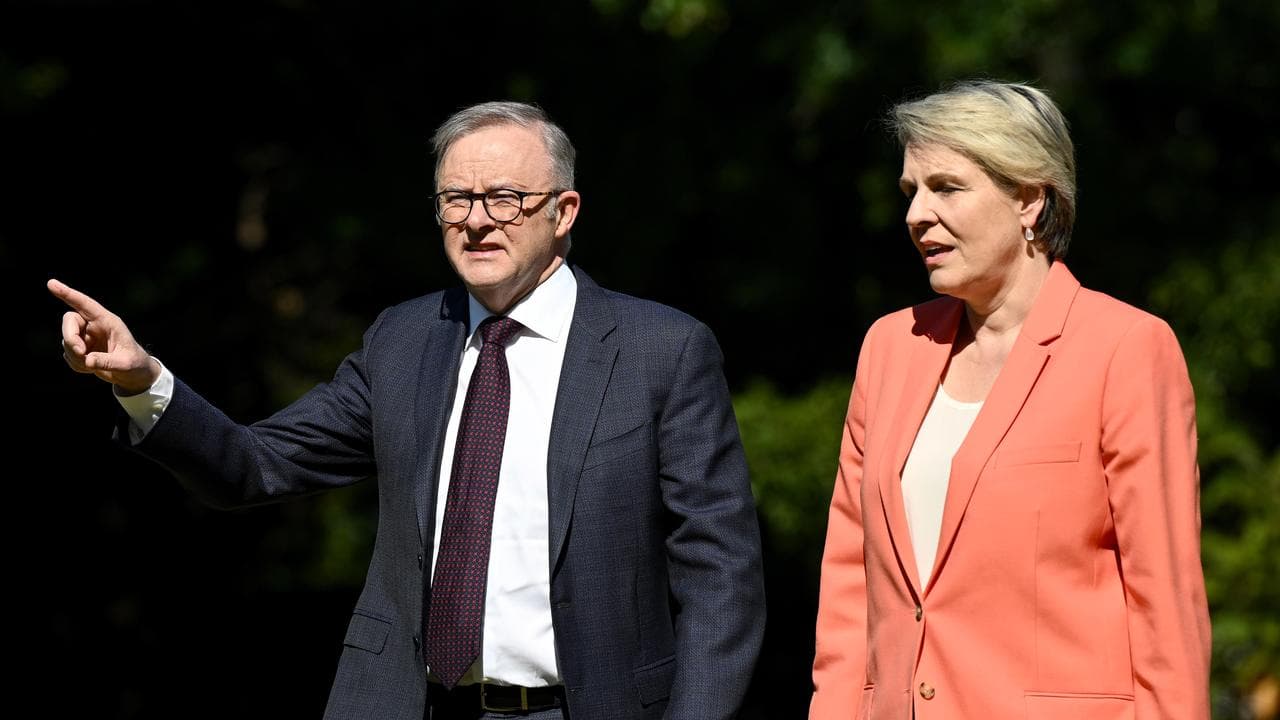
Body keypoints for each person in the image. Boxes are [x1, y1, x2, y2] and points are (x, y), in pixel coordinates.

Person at [50, 101, 765, 720]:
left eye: (505, 198)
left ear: (563, 211)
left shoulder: (660, 351)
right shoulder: (402, 340)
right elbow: (253, 465)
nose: (477, 221)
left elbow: (720, 574)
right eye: (456, 199)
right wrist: (145, 378)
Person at [809, 81, 1210, 720]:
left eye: (946, 188)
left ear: (1029, 199)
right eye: (911, 192)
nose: (916, 215)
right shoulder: (889, 348)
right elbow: (849, 589)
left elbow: (1167, 606)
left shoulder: (1127, 348)